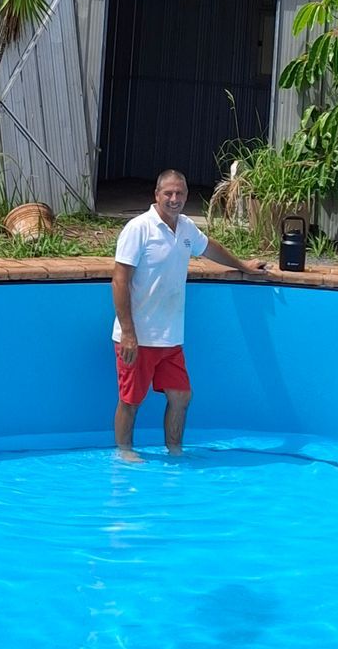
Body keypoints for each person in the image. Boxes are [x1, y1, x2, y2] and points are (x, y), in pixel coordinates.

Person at [112, 167, 266, 457]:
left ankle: (174, 451)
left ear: (186, 196)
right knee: (130, 400)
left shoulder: (185, 228)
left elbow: (211, 249)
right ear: (156, 195)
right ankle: (123, 452)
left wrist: (244, 266)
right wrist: (128, 333)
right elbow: (119, 280)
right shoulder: (138, 228)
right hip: (138, 337)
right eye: (168, 193)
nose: (174, 198)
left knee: (181, 396)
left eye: (179, 193)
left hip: (170, 338)